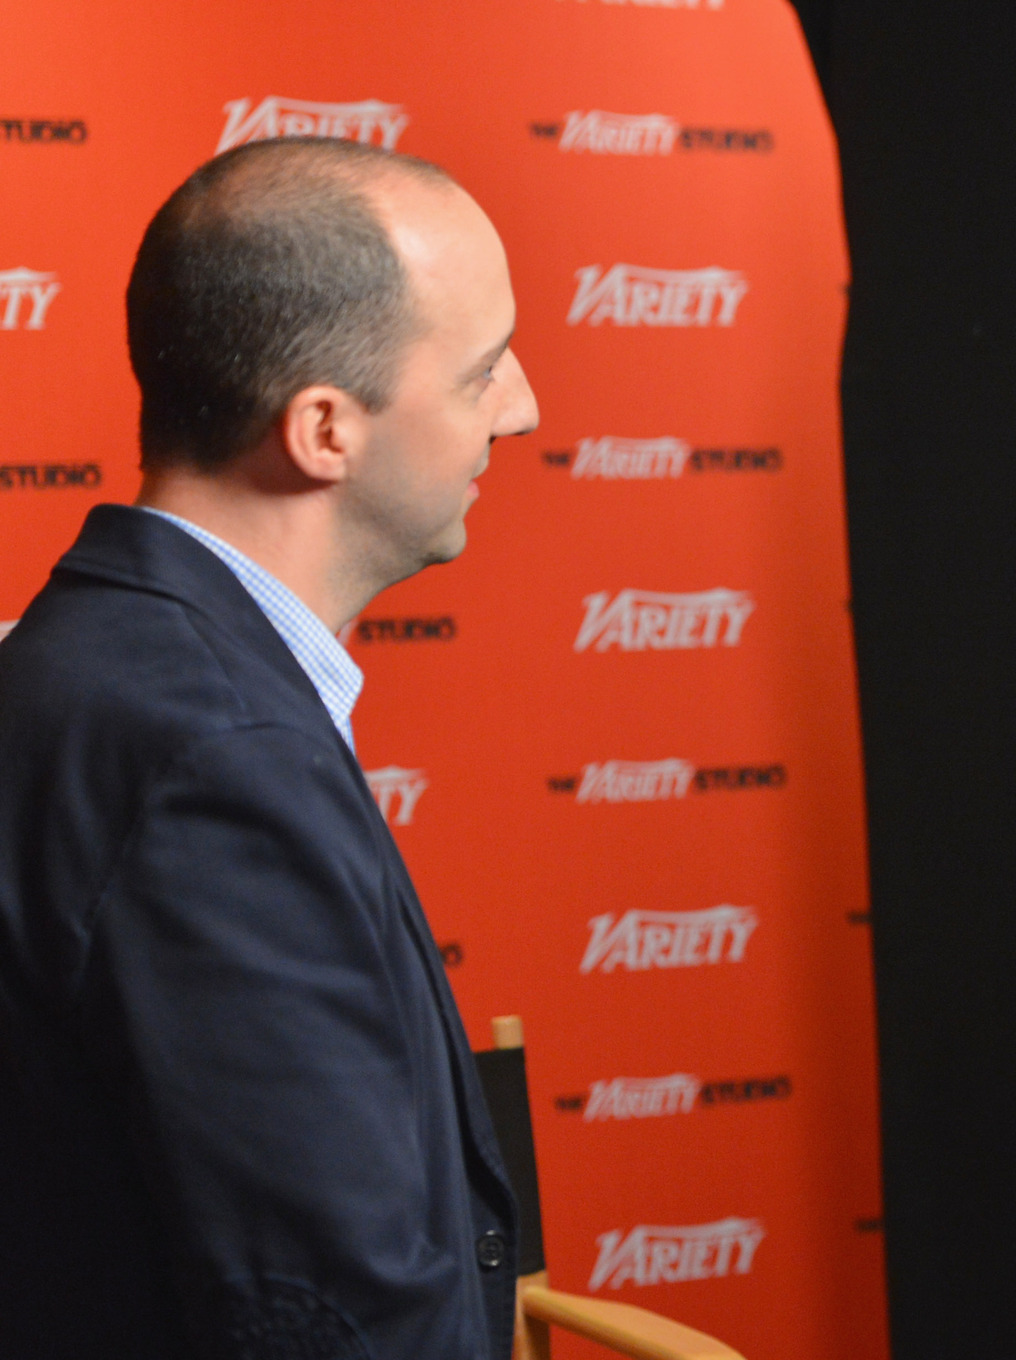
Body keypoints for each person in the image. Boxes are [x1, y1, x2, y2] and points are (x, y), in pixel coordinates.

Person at [0, 138, 540, 1358]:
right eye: (481, 373)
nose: (522, 407)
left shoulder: (110, 666)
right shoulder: (210, 755)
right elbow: (328, 1316)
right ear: (323, 431)